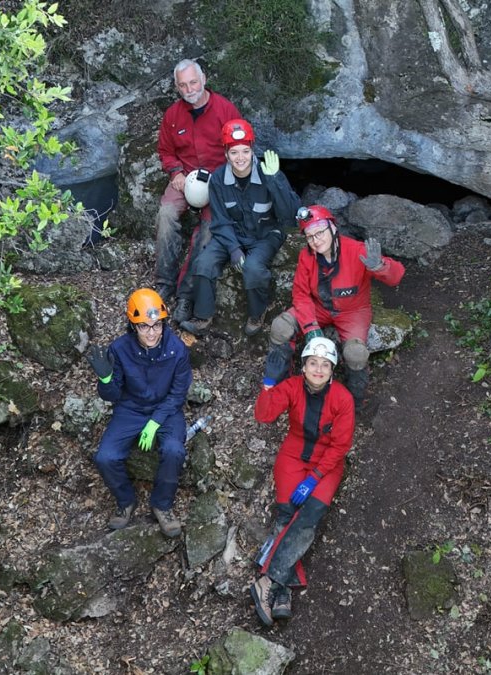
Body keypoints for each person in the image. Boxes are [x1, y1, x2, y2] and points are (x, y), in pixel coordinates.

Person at [250, 337, 354, 625]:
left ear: (332, 369)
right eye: (312, 363)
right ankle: (283, 591)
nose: (318, 369)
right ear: (304, 366)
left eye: (324, 364)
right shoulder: (293, 386)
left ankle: (268, 580)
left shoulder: (342, 398)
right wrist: (269, 383)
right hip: (294, 455)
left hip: (327, 463)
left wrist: (314, 478)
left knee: (308, 515)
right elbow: (264, 415)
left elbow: (340, 446)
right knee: (287, 515)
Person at [261, 205, 405, 412]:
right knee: (280, 327)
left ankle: (355, 402)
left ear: (333, 228)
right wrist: (310, 328)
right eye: (310, 236)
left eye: (319, 232)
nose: (316, 240)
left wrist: (379, 267)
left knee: (356, 353)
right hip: (318, 307)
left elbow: (397, 276)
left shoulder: (357, 251)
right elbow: (301, 295)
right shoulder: (306, 256)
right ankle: (277, 382)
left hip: (353, 311)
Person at [85, 288, 192, 537]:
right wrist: (105, 378)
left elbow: (178, 394)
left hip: (166, 409)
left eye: (157, 325)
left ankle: (162, 505)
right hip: (130, 408)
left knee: (174, 450)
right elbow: (111, 395)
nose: (152, 332)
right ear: (133, 326)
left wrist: (155, 421)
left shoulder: (176, 349)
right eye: (144, 326)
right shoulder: (120, 349)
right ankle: (125, 501)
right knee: (105, 457)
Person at [179, 118, 300, 337]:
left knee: (253, 268)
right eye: (234, 152)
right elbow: (220, 221)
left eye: (245, 151)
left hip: (265, 234)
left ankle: (256, 314)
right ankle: (203, 317)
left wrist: (275, 180)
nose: (240, 158)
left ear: (252, 150)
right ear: (226, 154)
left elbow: (289, 215)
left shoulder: (268, 172)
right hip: (232, 234)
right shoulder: (217, 180)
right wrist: (234, 248)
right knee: (203, 263)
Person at [154, 59, 241, 312]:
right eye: (183, 85)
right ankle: (164, 282)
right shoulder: (172, 115)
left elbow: (239, 150)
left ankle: (185, 294)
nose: (189, 88)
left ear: (204, 79)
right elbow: (166, 151)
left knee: (208, 231)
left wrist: (226, 180)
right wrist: (175, 172)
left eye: (193, 82)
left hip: (219, 181)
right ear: (177, 87)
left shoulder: (225, 110)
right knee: (166, 214)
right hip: (186, 177)